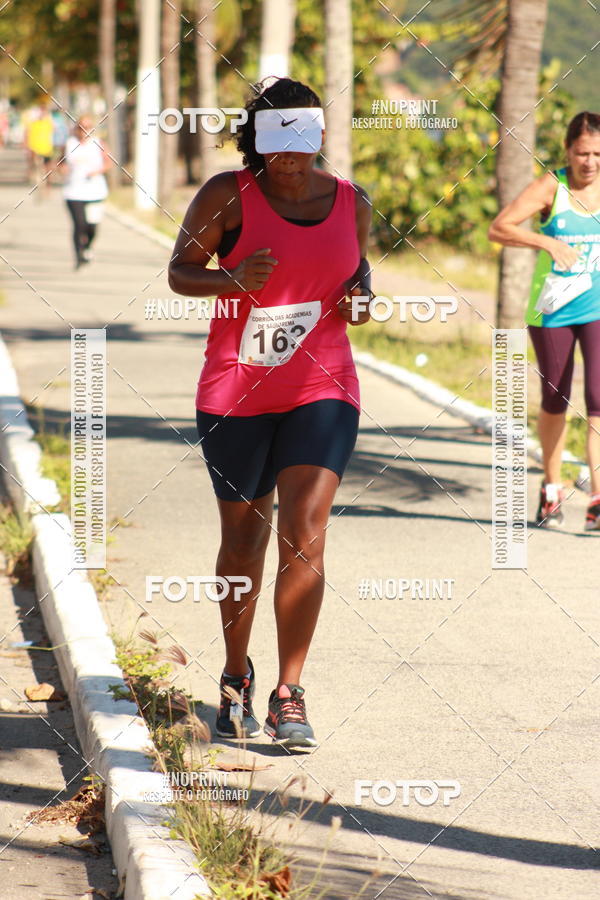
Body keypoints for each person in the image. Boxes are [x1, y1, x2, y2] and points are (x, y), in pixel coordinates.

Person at [168, 77, 372, 748]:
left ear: (318, 135)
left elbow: (357, 276)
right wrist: (230, 279)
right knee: (244, 542)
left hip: (323, 385)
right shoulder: (228, 195)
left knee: (306, 535)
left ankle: (290, 692)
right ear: (258, 139)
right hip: (237, 392)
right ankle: (234, 676)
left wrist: (361, 301)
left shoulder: (351, 202)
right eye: (277, 141)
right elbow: (179, 271)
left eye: (303, 139)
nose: (291, 157)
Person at [489, 111, 600, 531]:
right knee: (557, 398)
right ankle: (552, 488)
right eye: (582, 153)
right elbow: (498, 228)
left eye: (597, 153)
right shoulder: (551, 186)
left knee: (599, 397)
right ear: (568, 151)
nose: (589, 162)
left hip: (598, 308)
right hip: (553, 311)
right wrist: (545, 240)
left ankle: (597, 498)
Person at [60, 116, 112, 268]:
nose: (84, 131)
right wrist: (62, 170)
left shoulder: (98, 144)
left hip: (95, 191)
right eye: (81, 127)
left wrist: (97, 171)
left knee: (92, 226)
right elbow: (60, 162)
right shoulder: (69, 144)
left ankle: (88, 246)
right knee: (79, 224)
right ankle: (78, 255)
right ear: (76, 129)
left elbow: (108, 163)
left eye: (88, 127)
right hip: (73, 192)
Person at [25, 103, 54, 194]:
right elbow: (28, 134)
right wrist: (29, 147)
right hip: (36, 149)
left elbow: (54, 133)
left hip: (47, 149)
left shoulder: (48, 123)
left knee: (48, 169)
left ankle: (48, 186)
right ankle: (34, 179)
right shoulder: (33, 124)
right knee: (35, 166)